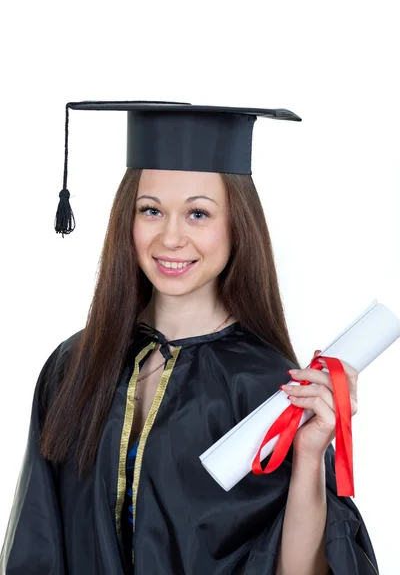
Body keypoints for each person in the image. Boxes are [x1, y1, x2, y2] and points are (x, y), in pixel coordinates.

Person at [0, 101, 379, 574]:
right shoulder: (75, 365)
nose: (171, 237)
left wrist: (307, 456)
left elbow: (297, 570)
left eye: (198, 214)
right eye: (151, 210)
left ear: (236, 224)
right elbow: (36, 535)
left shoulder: (266, 387)